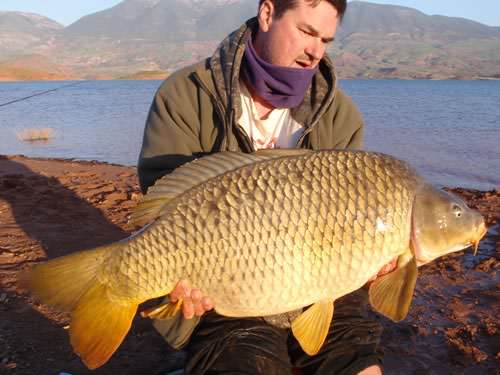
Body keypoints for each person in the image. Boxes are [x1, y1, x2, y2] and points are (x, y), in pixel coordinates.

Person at [138, 1, 395, 374]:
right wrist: (179, 280)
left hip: (322, 284)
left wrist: (375, 253)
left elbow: (354, 217)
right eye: (306, 32)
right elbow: (161, 207)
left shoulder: (342, 116)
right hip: (229, 285)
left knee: (358, 365)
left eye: (325, 39)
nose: (315, 52)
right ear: (268, 14)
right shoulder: (185, 94)